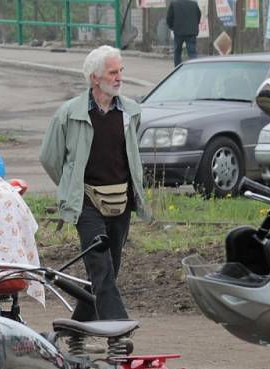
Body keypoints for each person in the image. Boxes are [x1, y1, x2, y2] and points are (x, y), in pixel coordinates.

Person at [39, 45, 147, 322]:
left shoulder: (131, 112)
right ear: (94, 78)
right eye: (113, 72)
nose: (119, 77)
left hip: (120, 200)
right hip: (86, 201)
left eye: (121, 71)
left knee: (106, 271)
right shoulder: (69, 113)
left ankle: (74, 329)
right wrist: (70, 187)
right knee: (100, 266)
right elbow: (49, 158)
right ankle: (118, 329)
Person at [166, 0, 201, 67]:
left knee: (177, 52)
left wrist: (172, 27)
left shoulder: (173, 4)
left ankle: (178, 68)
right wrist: (194, 25)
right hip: (191, 32)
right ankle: (195, 68)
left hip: (178, 32)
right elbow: (198, 16)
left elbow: (169, 18)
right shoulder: (194, 4)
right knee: (192, 52)